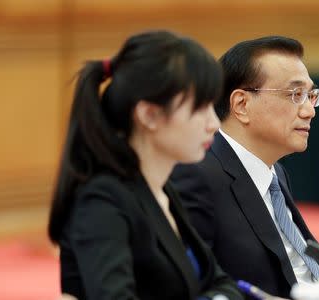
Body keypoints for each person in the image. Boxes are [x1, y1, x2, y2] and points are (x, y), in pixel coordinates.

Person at [48, 30, 244, 300]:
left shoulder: (163, 189)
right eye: (199, 109)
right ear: (149, 115)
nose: (214, 123)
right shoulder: (101, 200)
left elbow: (223, 283)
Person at [171, 36, 319, 298]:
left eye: (311, 96)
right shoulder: (198, 175)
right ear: (241, 104)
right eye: (296, 95)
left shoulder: (276, 173)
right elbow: (190, 288)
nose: (309, 111)